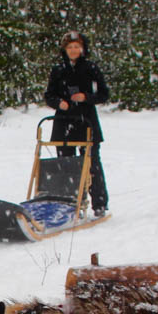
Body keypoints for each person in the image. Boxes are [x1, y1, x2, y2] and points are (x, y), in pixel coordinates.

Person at [44, 31, 110, 217]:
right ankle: (70, 204)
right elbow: (49, 95)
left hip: (86, 121)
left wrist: (86, 97)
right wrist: (59, 103)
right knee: (65, 165)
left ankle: (99, 203)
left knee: (91, 164)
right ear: (64, 50)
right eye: (70, 47)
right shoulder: (58, 70)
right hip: (64, 122)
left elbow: (104, 94)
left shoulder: (90, 68)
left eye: (76, 47)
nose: (73, 50)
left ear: (82, 49)